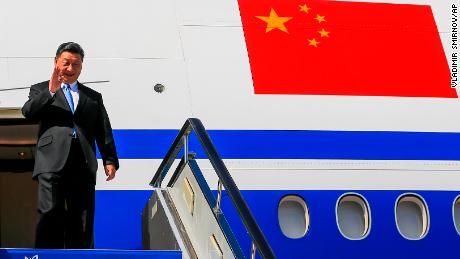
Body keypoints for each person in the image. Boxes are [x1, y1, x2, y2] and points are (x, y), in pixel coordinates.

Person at [22, 42, 119, 249]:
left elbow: (103, 129)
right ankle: (47, 255)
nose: (70, 68)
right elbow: (28, 112)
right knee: (50, 211)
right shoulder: (40, 89)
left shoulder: (93, 97)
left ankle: (81, 254)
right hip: (51, 160)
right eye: (66, 63)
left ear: (81, 67)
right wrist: (50, 92)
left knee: (82, 216)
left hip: (83, 160)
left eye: (76, 64)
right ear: (56, 62)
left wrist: (109, 159)